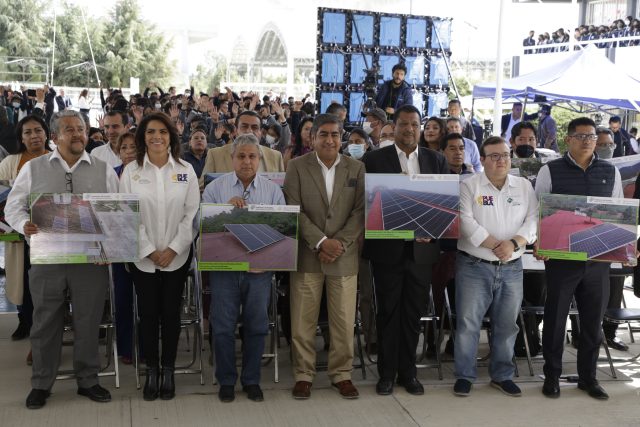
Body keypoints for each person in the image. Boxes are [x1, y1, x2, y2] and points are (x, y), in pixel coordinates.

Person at [5, 110, 119, 409]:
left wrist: (112, 246)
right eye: (69, 129)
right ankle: (42, 384)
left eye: (81, 128)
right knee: (44, 323)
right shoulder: (33, 169)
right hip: (47, 259)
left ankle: (89, 380)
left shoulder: (104, 169)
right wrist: (23, 225)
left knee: (89, 320)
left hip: (91, 260)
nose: (77, 134)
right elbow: (13, 207)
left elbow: (117, 211)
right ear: (55, 137)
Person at [535, 117, 624, 400]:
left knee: (592, 322)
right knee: (555, 319)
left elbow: (619, 213)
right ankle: (552, 377)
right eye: (581, 136)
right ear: (569, 139)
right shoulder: (550, 170)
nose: (587, 141)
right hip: (561, 257)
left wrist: (625, 247)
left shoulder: (610, 171)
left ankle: (589, 378)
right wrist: (540, 241)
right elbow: (540, 210)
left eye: (592, 137)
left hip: (598, 259)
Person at [362, 105, 447, 396]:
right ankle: (386, 374)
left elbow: (445, 207)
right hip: (387, 252)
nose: (409, 129)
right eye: (404, 124)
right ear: (394, 127)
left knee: (413, 314)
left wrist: (433, 229)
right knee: (388, 314)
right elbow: (367, 205)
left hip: (422, 254)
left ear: (420, 128)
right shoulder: (373, 160)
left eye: (414, 124)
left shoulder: (436, 160)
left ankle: (408, 373)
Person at [283, 114, 365, 400]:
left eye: (335, 134)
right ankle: (303, 375)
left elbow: (359, 212)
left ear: (341, 137)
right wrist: (320, 241)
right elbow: (294, 209)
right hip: (308, 254)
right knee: (303, 320)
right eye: (323, 135)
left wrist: (338, 243)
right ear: (312, 138)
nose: (330, 140)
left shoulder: (357, 168)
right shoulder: (296, 167)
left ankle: (341, 374)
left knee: (343, 320)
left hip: (343, 255)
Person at [119, 112, 199, 401]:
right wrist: (150, 250)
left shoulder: (185, 170)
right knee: (149, 315)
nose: (157, 137)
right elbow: (127, 215)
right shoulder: (131, 173)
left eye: (163, 132)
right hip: (144, 258)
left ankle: (168, 370)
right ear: (142, 137)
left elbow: (192, 214)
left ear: (171, 136)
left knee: (171, 314)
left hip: (177, 257)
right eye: (151, 131)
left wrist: (174, 248)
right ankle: (151, 370)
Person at [202, 134, 285, 403]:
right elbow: (197, 225)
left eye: (252, 156)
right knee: (223, 326)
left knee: (257, 325)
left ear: (259, 159)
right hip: (224, 268)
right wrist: (221, 210)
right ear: (232, 158)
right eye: (241, 156)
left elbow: (283, 229)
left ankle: (251, 380)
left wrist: (268, 263)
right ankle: (226, 380)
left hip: (259, 271)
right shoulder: (216, 187)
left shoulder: (272, 190)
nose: (246, 161)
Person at [453, 136, 538, 397]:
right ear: (482, 159)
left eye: (505, 155)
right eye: (494, 156)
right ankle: (465, 376)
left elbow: (534, 220)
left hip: (512, 267)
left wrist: (513, 244)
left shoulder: (523, 186)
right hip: (474, 265)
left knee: (507, 324)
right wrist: (495, 245)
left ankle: (502, 375)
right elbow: (465, 222)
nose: (501, 160)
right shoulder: (469, 185)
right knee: (468, 324)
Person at [0, 116, 51, 359]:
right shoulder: (11, 162)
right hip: (17, 234)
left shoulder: (57, 158)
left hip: (50, 238)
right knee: (22, 280)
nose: (34, 136)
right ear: (21, 137)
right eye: (28, 132)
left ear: (46, 134)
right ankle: (25, 321)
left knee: (44, 288)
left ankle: (47, 331)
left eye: (38, 131)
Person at [202, 111, 284, 178]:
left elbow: (282, 190)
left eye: (254, 127)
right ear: (236, 130)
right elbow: (203, 189)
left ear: (261, 132)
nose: (249, 131)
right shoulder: (215, 155)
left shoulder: (275, 156)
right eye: (244, 126)